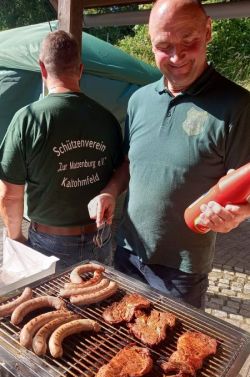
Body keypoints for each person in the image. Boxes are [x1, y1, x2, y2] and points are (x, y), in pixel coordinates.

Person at [88, 0, 250, 308]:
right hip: (127, 253)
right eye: (164, 46)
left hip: (182, 271)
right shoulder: (138, 101)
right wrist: (109, 192)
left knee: (174, 355)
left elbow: (245, 190)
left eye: (189, 40)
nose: (177, 56)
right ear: (151, 43)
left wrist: (237, 216)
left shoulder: (238, 106)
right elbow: (129, 162)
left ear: (208, 31)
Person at [0, 30, 123, 271]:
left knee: (54, 307)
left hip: (49, 244)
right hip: (101, 237)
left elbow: (9, 195)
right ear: (80, 69)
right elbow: (119, 174)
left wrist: (15, 238)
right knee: (99, 306)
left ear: (42, 69)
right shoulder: (106, 119)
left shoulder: (27, 120)